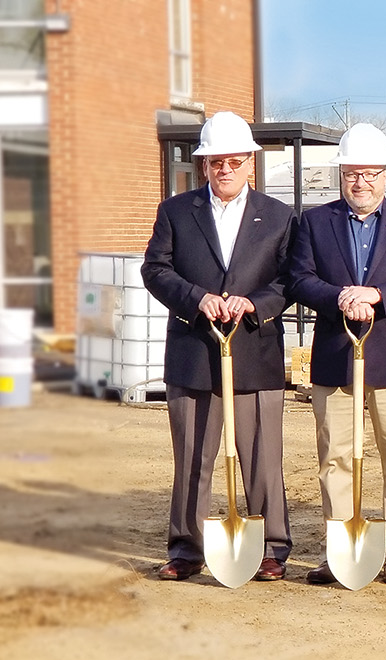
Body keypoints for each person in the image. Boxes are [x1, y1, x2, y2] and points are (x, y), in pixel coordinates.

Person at [142, 111, 296, 582]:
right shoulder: (176, 211)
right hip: (193, 348)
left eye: (233, 160)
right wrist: (198, 298)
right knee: (192, 455)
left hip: (255, 347)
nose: (224, 169)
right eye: (214, 162)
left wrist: (254, 304)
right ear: (203, 164)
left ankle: (271, 546)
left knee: (261, 454)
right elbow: (156, 269)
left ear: (250, 161)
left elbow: (290, 278)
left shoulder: (278, 217)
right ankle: (187, 547)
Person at [286, 123, 386, 586]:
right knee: (335, 456)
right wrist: (338, 297)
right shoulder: (314, 223)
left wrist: (375, 295)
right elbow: (299, 278)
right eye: (352, 173)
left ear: (385, 174)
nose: (361, 182)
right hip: (335, 356)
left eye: (370, 173)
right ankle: (340, 548)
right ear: (341, 174)